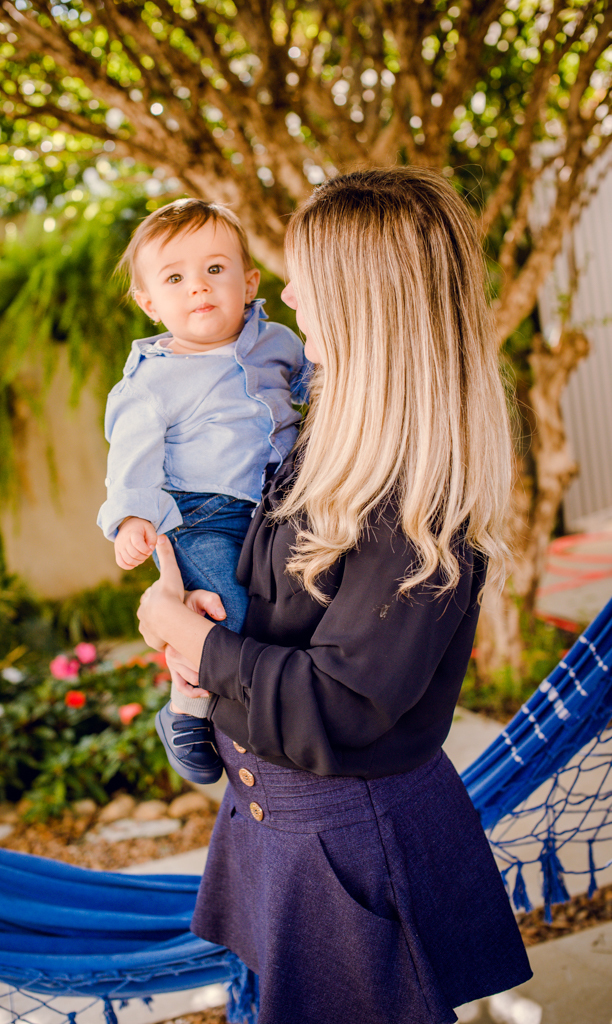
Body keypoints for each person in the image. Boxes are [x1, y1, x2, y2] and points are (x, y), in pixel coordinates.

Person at [135, 168, 533, 1024]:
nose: (285, 289)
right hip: (276, 823)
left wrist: (194, 643)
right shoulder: (325, 442)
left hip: (346, 851)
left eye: (305, 270)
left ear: (360, 302)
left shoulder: (417, 503)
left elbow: (341, 706)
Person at [97, 198, 310, 785]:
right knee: (228, 618)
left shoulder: (279, 341)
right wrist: (134, 515)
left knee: (295, 613)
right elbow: (131, 456)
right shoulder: (154, 378)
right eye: (175, 278)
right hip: (203, 516)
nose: (198, 288)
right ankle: (188, 705)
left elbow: (314, 379)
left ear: (249, 281)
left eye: (215, 270)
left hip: (281, 506)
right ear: (149, 302)